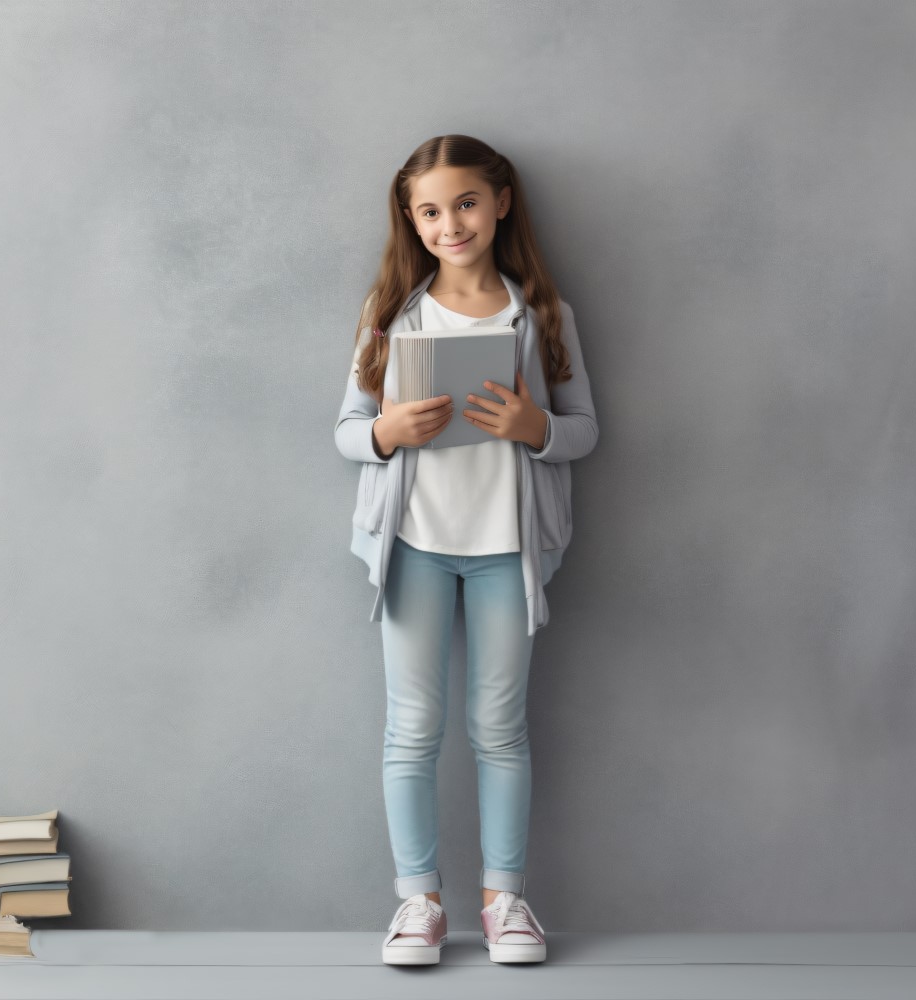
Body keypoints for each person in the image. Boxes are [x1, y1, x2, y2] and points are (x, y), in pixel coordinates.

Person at [333, 135, 599, 967]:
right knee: (411, 729)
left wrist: (537, 429)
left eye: (467, 203)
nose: (451, 223)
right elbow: (345, 433)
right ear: (412, 222)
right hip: (412, 548)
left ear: (501, 203)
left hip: (505, 549)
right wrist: (383, 432)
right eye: (432, 211)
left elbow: (585, 430)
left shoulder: (543, 316)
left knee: (500, 728)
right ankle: (418, 904)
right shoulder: (390, 316)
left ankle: (505, 901)